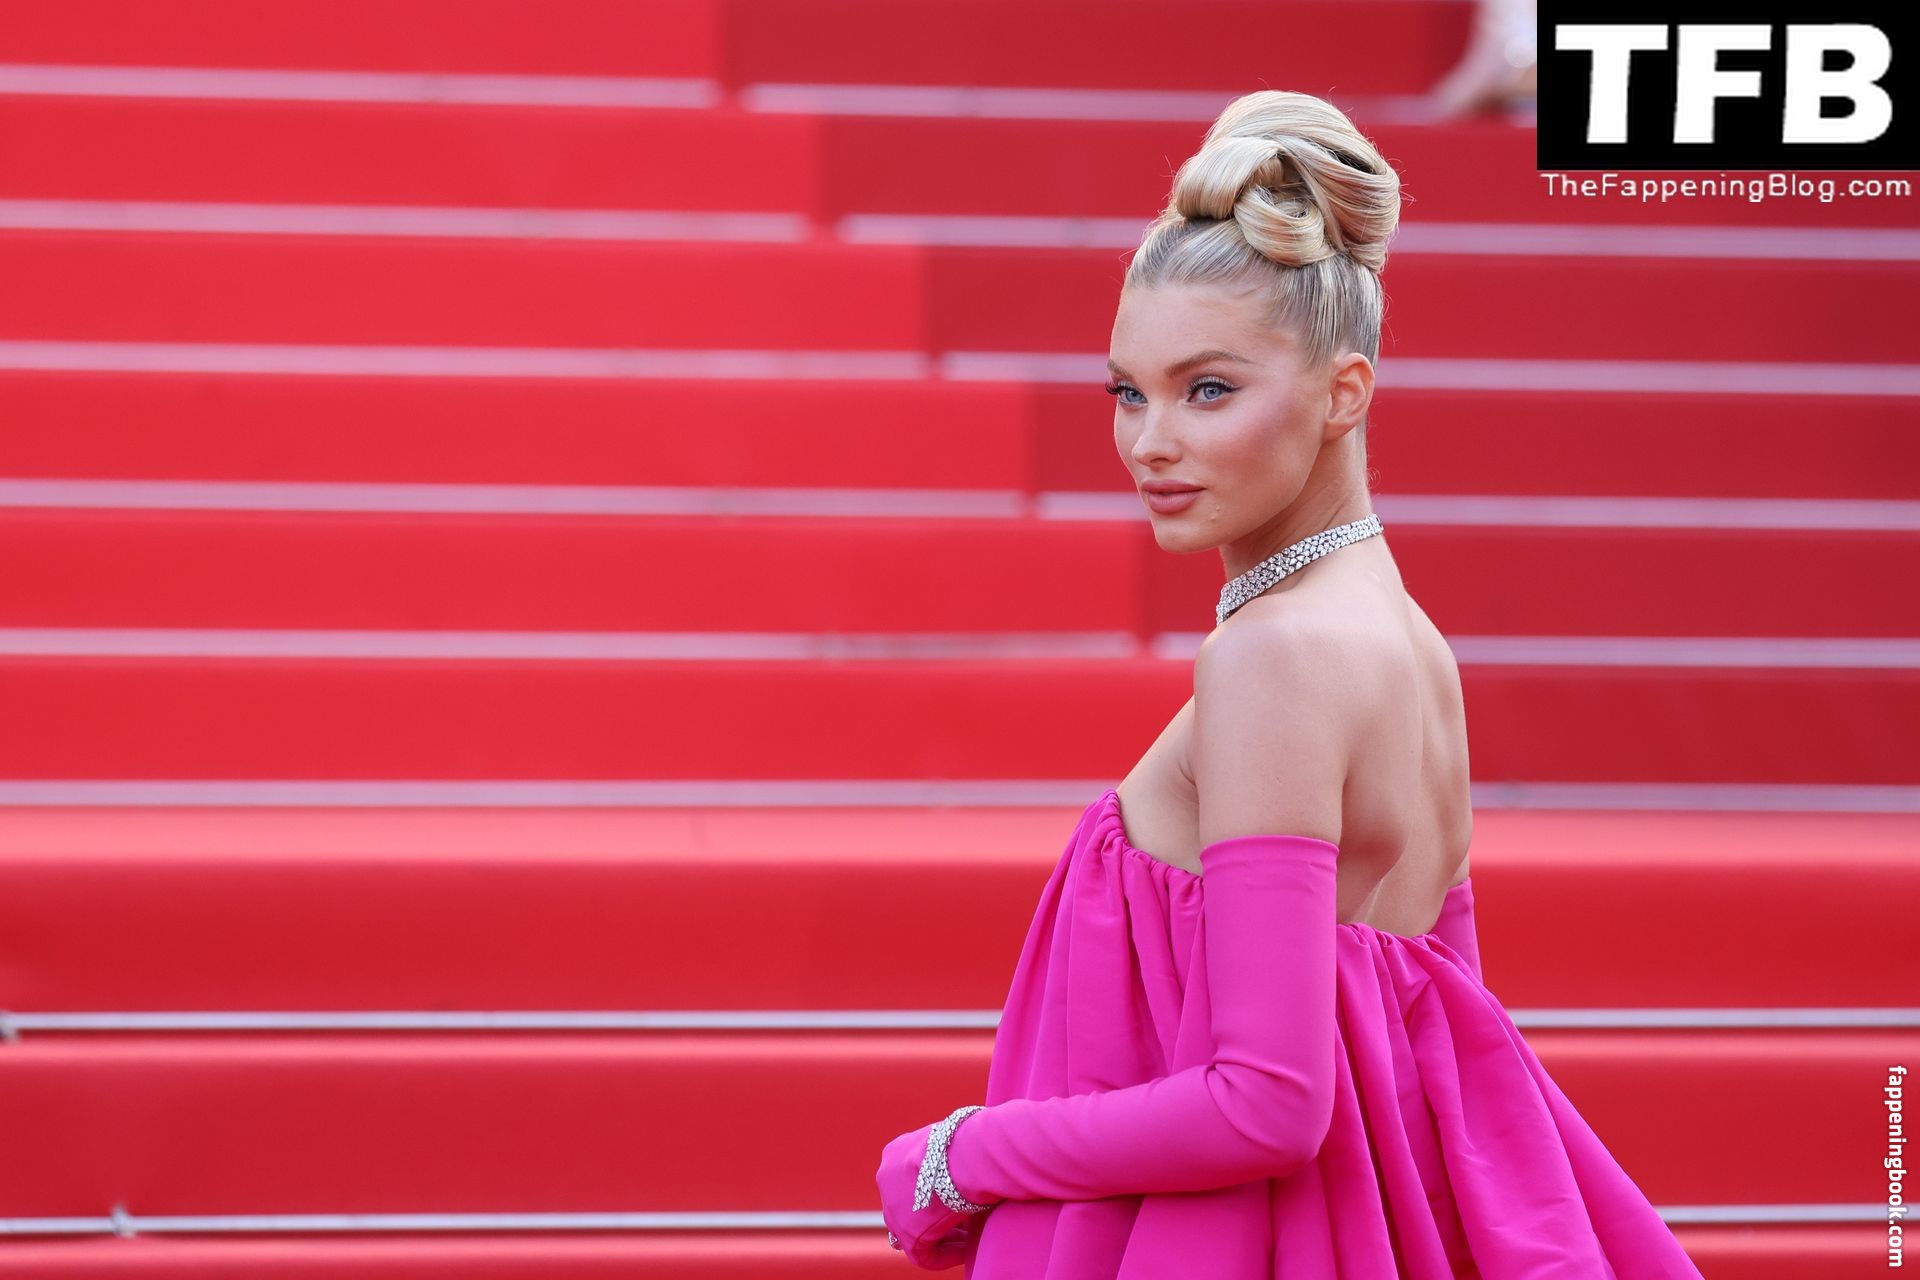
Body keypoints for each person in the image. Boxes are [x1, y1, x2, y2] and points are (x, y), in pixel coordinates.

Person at [876, 89, 1703, 1277]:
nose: (1151, 442)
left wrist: (961, 1153)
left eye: (1208, 389)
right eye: (1128, 391)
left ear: (1344, 392)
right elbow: (1442, 1030)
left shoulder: (1271, 655)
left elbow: (1267, 1101)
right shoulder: (1411, 642)